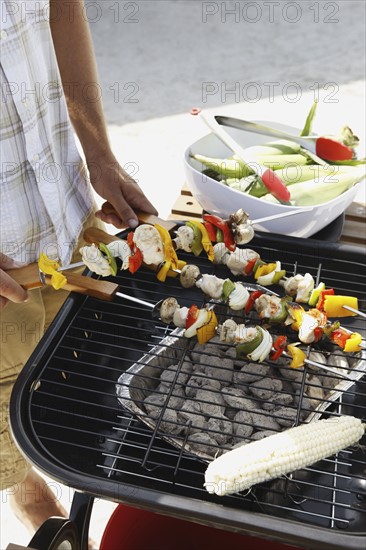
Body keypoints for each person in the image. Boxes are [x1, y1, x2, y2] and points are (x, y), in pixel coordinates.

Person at [0, 0, 158, 537]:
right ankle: (40, 516)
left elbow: (63, 9)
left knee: (84, 396)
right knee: (5, 438)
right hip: (3, 283)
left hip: (66, 223)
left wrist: (101, 154)